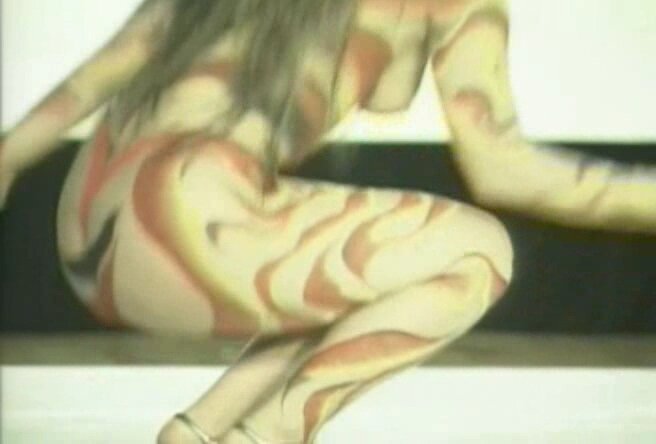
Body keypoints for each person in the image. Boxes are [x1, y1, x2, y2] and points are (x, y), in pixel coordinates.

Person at [1, 0, 655, 442]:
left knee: (360, 275)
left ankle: (198, 430)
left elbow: (89, 83)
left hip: (89, 241)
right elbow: (502, 171)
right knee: (477, 252)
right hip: (193, 227)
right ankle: (271, 437)